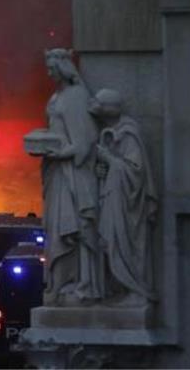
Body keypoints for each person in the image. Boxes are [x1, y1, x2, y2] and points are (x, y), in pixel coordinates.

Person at [39, 48, 102, 305]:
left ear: (64, 67)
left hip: (74, 176)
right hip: (58, 175)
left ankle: (84, 283)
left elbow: (84, 143)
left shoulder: (76, 97)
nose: (49, 73)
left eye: (52, 68)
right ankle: (61, 281)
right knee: (57, 229)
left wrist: (58, 153)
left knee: (78, 228)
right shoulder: (57, 97)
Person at [90, 88, 158, 305]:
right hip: (112, 199)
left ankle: (135, 291)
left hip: (128, 206)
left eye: (101, 105)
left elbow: (135, 171)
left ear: (112, 109)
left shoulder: (129, 133)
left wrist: (108, 159)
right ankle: (119, 288)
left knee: (123, 244)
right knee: (108, 244)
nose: (97, 109)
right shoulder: (110, 130)